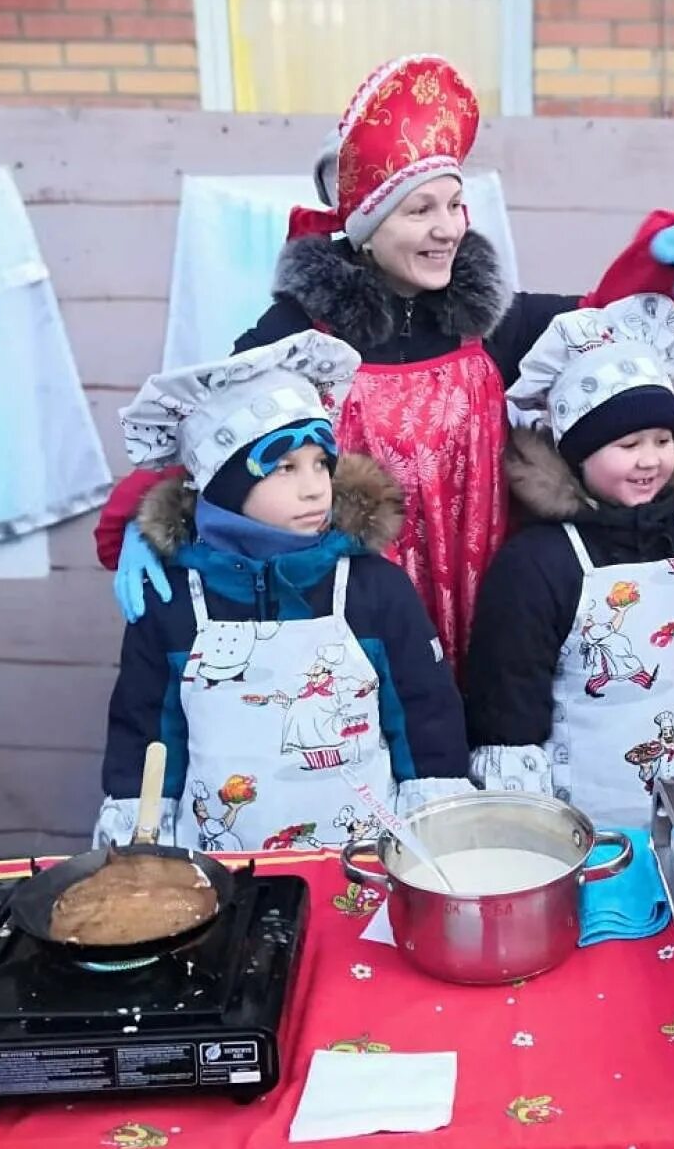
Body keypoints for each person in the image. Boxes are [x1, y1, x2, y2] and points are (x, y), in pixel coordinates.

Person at [96, 53, 674, 675]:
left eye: (454, 205)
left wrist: (658, 265)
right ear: (366, 227)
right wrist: (141, 520)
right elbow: (218, 426)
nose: (447, 228)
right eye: (420, 210)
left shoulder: (490, 323)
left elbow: (597, 327)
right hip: (357, 615)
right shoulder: (302, 335)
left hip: (495, 600)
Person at [97, 330, 470, 852]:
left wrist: (437, 828)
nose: (315, 486)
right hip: (219, 871)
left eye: (322, 463)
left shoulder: (373, 588)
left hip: (364, 862)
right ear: (224, 486)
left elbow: (425, 717)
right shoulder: (173, 602)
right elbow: (146, 734)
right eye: (284, 469)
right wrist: (142, 845)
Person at [463, 293, 674, 830]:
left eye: (662, 439)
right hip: (588, 831)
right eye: (627, 444)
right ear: (578, 453)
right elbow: (509, 708)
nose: (649, 459)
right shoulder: (537, 563)